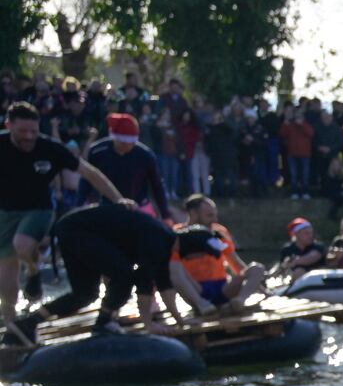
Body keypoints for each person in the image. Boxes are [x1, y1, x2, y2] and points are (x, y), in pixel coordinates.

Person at [2, 100, 129, 309]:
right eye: (22, 131)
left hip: (38, 208)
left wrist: (118, 199)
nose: (28, 137)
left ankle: (32, 268)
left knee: (22, 245)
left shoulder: (49, 148)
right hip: (5, 211)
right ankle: (11, 324)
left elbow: (90, 173)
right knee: (5, 271)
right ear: (8, 125)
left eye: (33, 131)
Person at [29, 200, 217, 329]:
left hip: (72, 229)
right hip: (76, 230)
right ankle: (104, 323)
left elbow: (164, 284)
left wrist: (180, 322)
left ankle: (30, 322)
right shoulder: (158, 241)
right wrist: (149, 325)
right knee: (124, 274)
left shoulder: (165, 243)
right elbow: (144, 282)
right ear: (194, 251)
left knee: (85, 294)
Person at [87, 112, 168, 212]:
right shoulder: (97, 152)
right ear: (115, 139)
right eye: (124, 143)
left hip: (138, 207)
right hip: (106, 206)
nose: (128, 146)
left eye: (132, 143)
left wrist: (165, 214)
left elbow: (157, 185)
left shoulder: (146, 156)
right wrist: (80, 203)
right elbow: (86, 180)